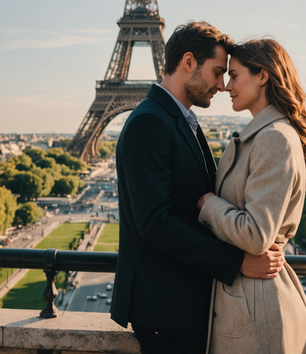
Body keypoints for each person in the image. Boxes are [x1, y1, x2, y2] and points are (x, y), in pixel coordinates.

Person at [111, 22, 285, 354]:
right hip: (167, 310)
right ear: (189, 62)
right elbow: (155, 223)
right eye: (218, 72)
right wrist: (235, 262)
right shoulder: (150, 123)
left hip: (179, 304)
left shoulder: (176, 120)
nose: (221, 86)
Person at [197, 39, 306, 354]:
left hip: (256, 305)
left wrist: (207, 203)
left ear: (262, 75)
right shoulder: (265, 135)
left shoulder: (273, 139)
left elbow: (256, 235)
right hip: (252, 298)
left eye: (235, 75)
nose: (226, 86)